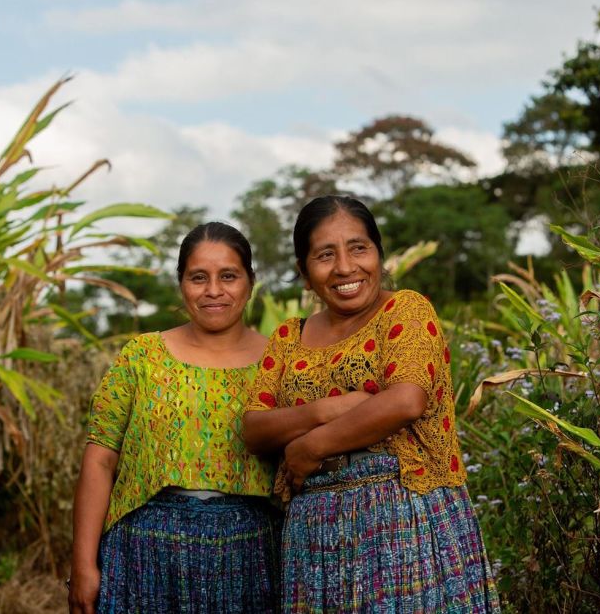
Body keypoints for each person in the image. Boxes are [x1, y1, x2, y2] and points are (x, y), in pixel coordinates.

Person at [242, 195, 501, 613]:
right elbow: (254, 428)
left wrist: (310, 446)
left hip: (404, 514)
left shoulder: (406, 310)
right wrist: (333, 408)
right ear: (304, 274)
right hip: (314, 533)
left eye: (359, 248)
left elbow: (406, 401)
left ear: (380, 256)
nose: (345, 267)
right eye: (325, 255)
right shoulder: (289, 337)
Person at [68, 222, 282, 614]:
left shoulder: (280, 361)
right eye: (198, 277)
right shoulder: (142, 356)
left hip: (250, 553)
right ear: (181, 283)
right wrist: (82, 565)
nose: (213, 290)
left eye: (229, 276)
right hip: (143, 549)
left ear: (251, 281)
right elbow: (100, 458)